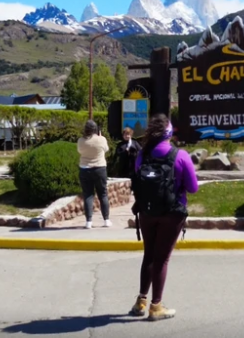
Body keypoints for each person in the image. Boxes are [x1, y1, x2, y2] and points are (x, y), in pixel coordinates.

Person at [129, 114, 198, 321]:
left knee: (149, 255)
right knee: (162, 259)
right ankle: (156, 306)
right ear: (169, 133)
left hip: (147, 211)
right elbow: (193, 188)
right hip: (172, 213)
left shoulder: (142, 155)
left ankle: (141, 300)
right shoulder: (180, 155)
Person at [77, 120, 112, 229]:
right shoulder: (101, 139)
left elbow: (80, 151)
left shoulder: (81, 140)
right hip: (99, 168)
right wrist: (99, 137)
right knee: (103, 194)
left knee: (88, 195)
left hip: (84, 168)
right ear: (96, 129)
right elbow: (106, 149)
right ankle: (106, 220)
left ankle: (88, 222)